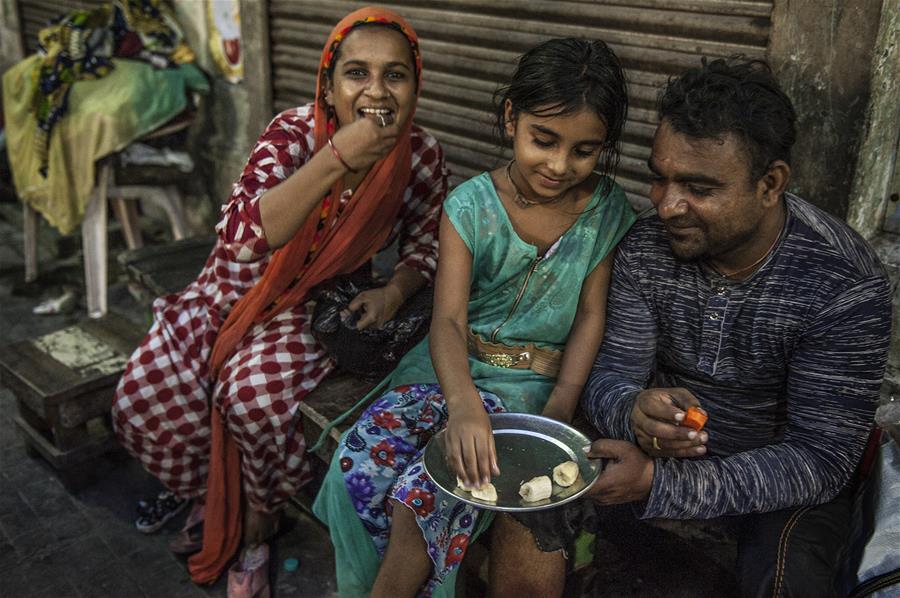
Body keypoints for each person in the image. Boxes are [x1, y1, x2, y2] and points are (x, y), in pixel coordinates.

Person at [492, 58, 893, 598]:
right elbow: (609, 377)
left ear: (770, 184)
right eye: (659, 177)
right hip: (647, 456)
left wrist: (661, 484)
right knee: (530, 498)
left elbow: (821, 459)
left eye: (698, 188)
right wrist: (634, 411)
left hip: (776, 486)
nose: (666, 205)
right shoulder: (645, 248)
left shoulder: (843, 282)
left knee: (788, 579)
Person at [111, 7, 448, 595]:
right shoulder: (293, 133)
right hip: (230, 292)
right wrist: (336, 158)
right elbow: (243, 239)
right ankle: (211, 496)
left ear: (414, 88)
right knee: (140, 400)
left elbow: (426, 245)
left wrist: (394, 290)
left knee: (250, 399)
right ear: (328, 85)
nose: (376, 91)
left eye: (395, 75)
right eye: (357, 73)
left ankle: (261, 517)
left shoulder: (420, 154)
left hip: (309, 307)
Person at [313, 37, 635, 597]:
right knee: (360, 463)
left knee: (433, 493)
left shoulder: (607, 212)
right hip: (446, 371)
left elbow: (590, 315)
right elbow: (449, 322)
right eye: (544, 140)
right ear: (511, 118)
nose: (560, 165)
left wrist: (559, 411)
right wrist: (462, 405)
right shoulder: (470, 206)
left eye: (585, 150)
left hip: (532, 389)